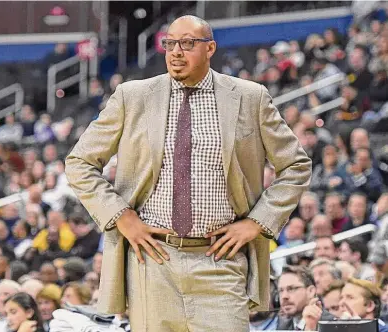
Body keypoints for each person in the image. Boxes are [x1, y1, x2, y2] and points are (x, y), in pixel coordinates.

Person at [65, 15, 312, 331]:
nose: (176, 52)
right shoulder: (133, 96)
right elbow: (79, 163)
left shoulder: (250, 97)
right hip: (152, 261)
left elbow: (296, 166)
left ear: (210, 48)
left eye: (187, 43)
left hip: (221, 259)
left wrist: (256, 223)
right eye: (169, 43)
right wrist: (121, 217)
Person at [277, 265, 333, 331]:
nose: (284, 296)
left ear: (311, 291)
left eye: (291, 289)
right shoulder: (283, 325)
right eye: (281, 290)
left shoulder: (331, 325)